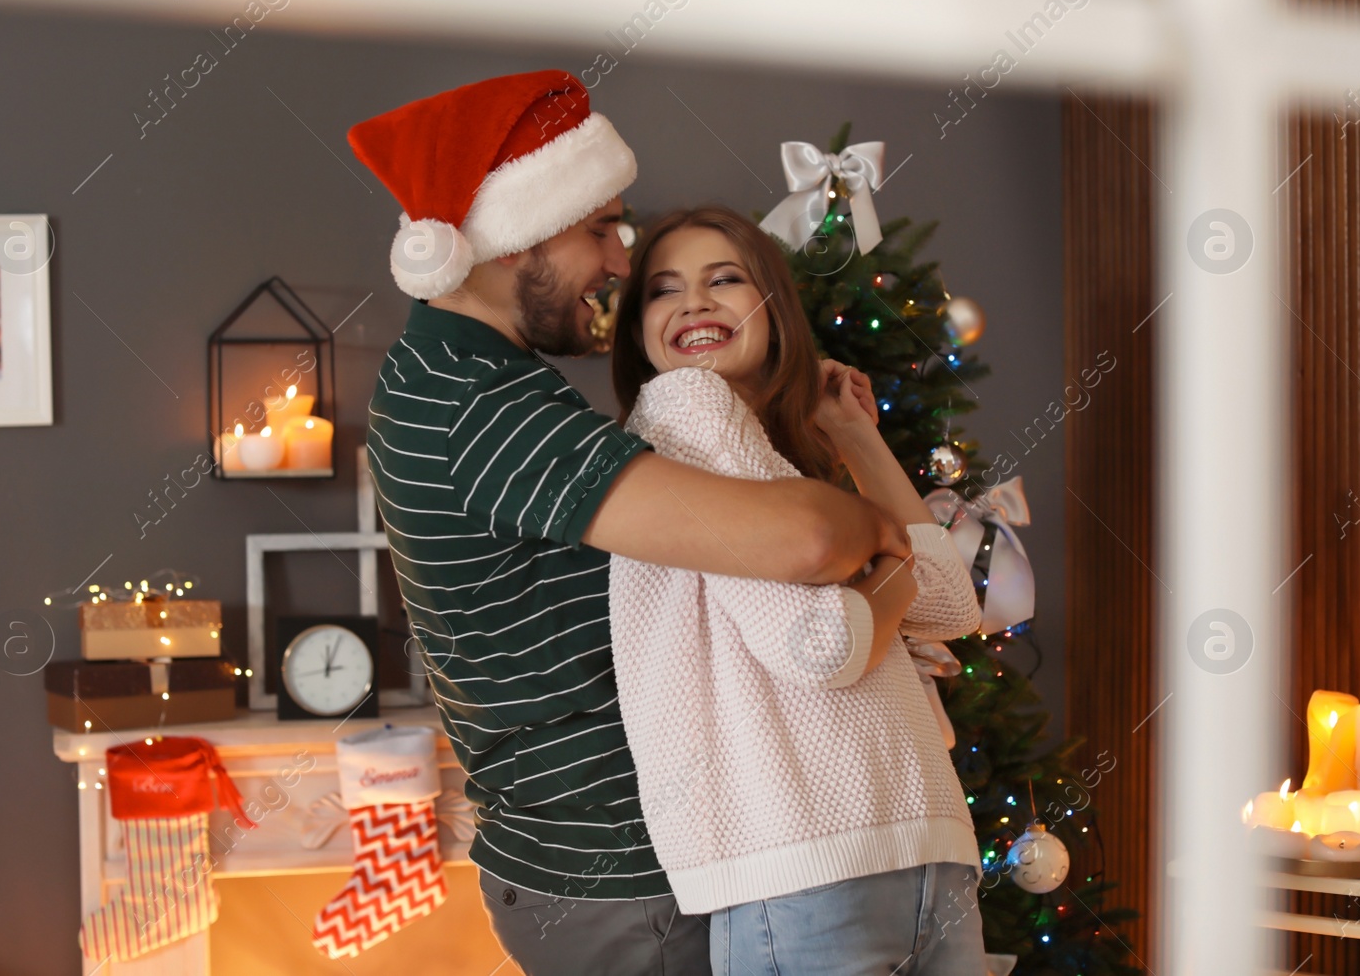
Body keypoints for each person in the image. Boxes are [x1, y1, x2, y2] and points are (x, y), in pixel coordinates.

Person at [347, 71, 912, 976]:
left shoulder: (473, 376)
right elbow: (804, 540)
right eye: (598, 226)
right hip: (615, 882)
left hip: (619, 876)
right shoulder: (477, 400)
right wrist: (878, 528)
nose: (620, 258)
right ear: (508, 239)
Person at [606, 205, 988, 976]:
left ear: (773, 308)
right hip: (809, 871)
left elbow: (953, 605)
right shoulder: (685, 408)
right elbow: (823, 645)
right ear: (637, 327)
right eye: (663, 289)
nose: (694, 303)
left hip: (918, 850)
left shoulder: (778, 463)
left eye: (725, 279)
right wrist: (882, 570)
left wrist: (852, 436)